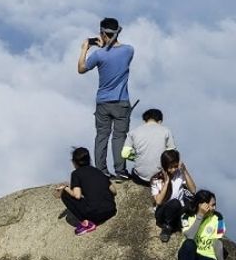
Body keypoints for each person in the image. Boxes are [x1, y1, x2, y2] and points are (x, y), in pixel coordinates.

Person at [77, 17, 135, 181]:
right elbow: (117, 49)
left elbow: (81, 69)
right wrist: (107, 42)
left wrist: (84, 49)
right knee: (119, 136)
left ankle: (101, 170)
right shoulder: (129, 50)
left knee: (102, 136)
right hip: (122, 101)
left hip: (103, 101)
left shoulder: (98, 55)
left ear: (102, 33)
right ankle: (120, 171)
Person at [54, 147, 117, 236]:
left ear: (73, 162)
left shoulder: (76, 174)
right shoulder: (98, 171)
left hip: (96, 215)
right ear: (89, 160)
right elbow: (114, 191)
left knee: (65, 195)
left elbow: (77, 196)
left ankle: (87, 224)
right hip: (111, 210)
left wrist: (66, 187)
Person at [121, 108, 176, 185]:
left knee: (135, 170)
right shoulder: (166, 131)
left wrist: (137, 157)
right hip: (160, 177)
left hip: (140, 178)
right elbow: (172, 154)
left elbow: (125, 154)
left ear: (145, 120)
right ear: (160, 121)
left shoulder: (133, 132)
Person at [151, 149, 196, 243]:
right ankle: (167, 227)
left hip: (178, 210)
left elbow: (193, 190)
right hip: (162, 213)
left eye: (175, 166)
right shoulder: (156, 179)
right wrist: (167, 182)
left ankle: (177, 223)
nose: (173, 170)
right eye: (170, 167)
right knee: (175, 202)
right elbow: (158, 201)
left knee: (195, 201)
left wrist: (184, 171)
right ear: (165, 166)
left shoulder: (179, 174)